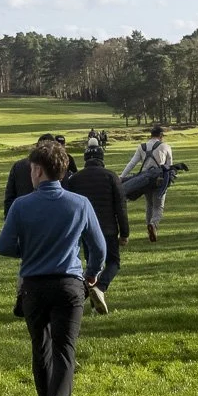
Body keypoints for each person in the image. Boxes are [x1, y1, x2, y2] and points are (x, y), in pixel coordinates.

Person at [0, 138, 108, 396]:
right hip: (70, 284)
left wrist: (29, 250)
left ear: (37, 171)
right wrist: (91, 275)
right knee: (64, 351)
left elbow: (3, 246)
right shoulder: (79, 204)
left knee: (40, 347)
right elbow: (99, 248)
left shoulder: (21, 205)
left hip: (33, 285)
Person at [65, 134, 130, 313]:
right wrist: (125, 233)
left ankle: (92, 302)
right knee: (113, 263)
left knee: (93, 265)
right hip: (108, 228)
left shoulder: (75, 179)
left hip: (85, 230)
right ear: (102, 159)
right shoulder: (111, 176)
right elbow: (120, 207)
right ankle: (100, 288)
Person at [120, 123, 174, 242]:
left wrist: (122, 176)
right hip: (160, 179)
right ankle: (153, 225)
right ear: (160, 136)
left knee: (149, 205)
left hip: (145, 180)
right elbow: (169, 166)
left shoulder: (142, 146)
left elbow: (132, 163)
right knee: (158, 206)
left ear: (151, 135)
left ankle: (148, 228)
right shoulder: (165, 146)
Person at [4, 134, 63, 215]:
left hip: (23, 213)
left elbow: (9, 197)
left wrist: (9, 217)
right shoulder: (58, 165)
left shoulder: (18, 166)